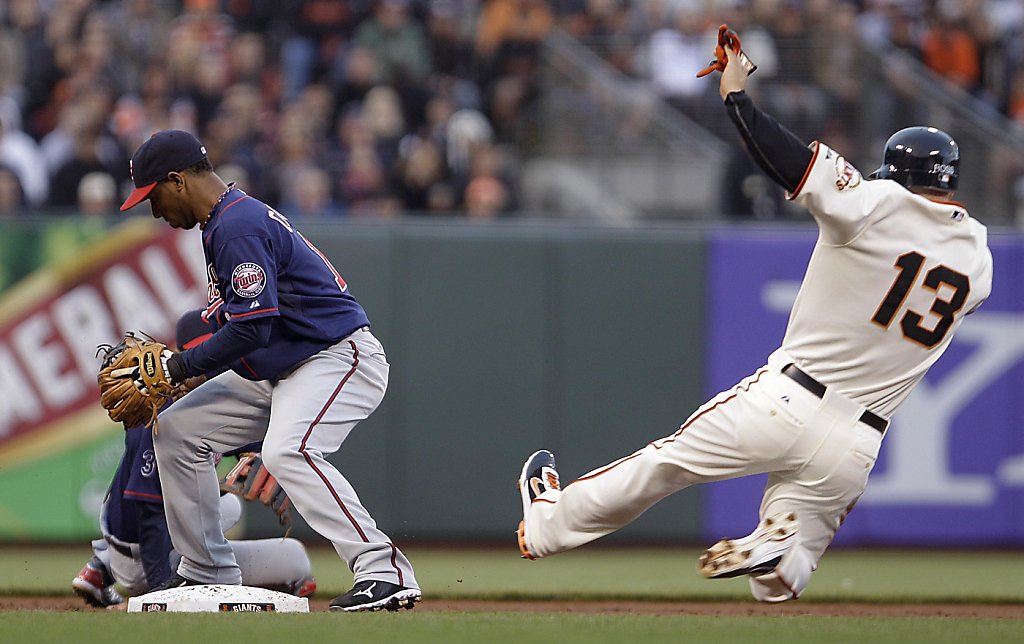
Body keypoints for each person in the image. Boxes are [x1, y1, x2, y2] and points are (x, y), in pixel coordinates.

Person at [515, 36, 993, 603]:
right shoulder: (978, 259)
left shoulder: (877, 204)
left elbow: (789, 161)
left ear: (895, 173)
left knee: (665, 465)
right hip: (857, 444)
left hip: (787, 402)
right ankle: (777, 551)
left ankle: (549, 523)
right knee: (780, 586)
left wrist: (737, 96)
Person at [118, 130, 420, 612]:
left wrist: (177, 367)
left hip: (335, 356)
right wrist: (192, 374)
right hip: (282, 368)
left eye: (153, 197)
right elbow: (239, 328)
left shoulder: (237, 225)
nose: (154, 211)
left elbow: (252, 330)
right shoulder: (223, 223)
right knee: (178, 430)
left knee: (287, 449)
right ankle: (207, 572)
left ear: (176, 181)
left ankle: (384, 570)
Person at [72, 309, 316, 608]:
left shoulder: (217, 405)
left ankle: (102, 564)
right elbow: (149, 515)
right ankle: (112, 564)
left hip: (147, 540)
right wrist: (160, 593)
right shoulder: (160, 414)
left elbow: (253, 441)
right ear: (183, 357)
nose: (211, 366)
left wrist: (269, 458)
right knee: (293, 561)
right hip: (146, 557)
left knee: (230, 507)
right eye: (198, 353)